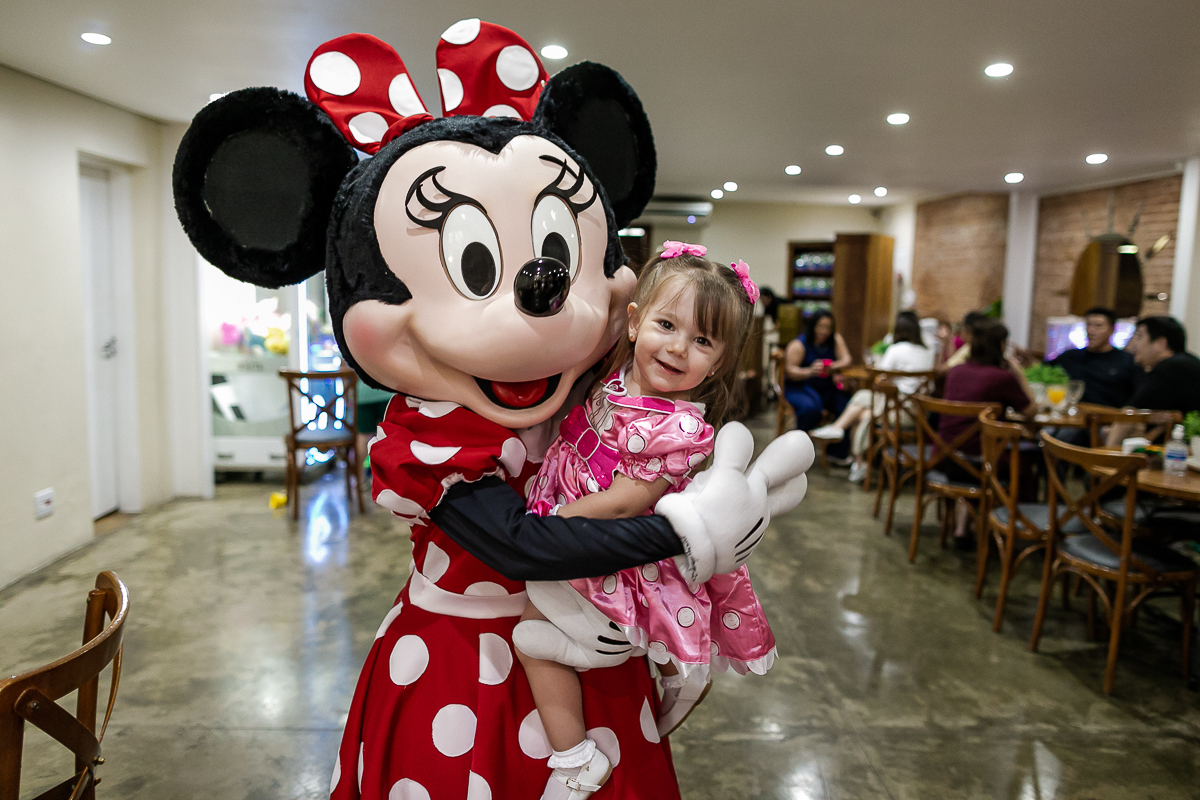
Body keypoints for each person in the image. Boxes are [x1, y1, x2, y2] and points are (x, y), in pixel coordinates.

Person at [516, 245, 775, 799]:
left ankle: (574, 758)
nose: (679, 348)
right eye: (666, 324)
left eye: (703, 340)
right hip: (575, 521)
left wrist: (550, 522)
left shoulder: (680, 428)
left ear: (721, 361)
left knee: (533, 637)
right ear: (633, 324)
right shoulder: (612, 378)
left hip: (604, 543)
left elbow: (629, 500)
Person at [941, 320, 1038, 546]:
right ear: (1001, 345)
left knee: (977, 444)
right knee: (1026, 460)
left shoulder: (956, 372)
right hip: (981, 463)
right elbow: (1031, 411)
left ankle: (963, 526)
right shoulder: (1002, 377)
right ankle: (1021, 529)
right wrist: (1018, 371)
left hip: (946, 458)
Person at [809, 312, 935, 482]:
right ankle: (859, 463)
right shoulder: (928, 351)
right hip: (917, 413)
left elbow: (879, 379)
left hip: (897, 412)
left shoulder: (896, 349)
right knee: (865, 414)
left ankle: (842, 434)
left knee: (862, 396)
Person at [1106, 316, 1200, 446]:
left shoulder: (1169, 368)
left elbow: (1129, 414)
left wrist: (1106, 457)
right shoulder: (1188, 363)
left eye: (1139, 336)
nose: (1133, 344)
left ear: (1161, 343)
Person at [784, 310, 852, 458]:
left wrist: (833, 367)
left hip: (826, 388)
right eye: (821, 326)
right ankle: (799, 450)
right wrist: (810, 371)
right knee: (811, 408)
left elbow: (847, 359)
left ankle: (836, 453)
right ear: (812, 326)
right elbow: (789, 371)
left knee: (845, 404)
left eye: (828, 327)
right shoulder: (799, 344)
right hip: (800, 387)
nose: (824, 331)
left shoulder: (835, 339)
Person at [1049, 307, 1141, 407]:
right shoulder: (1069, 357)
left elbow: (1137, 397)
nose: (1091, 331)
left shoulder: (1127, 361)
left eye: (1098, 326)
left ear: (1112, 329)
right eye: (1088, 325)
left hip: (1110, 417)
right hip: (1073, 416)